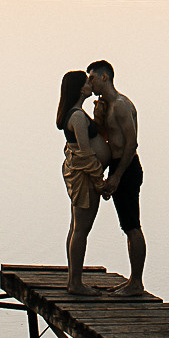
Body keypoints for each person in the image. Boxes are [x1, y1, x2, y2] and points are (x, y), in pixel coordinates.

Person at [87, 59, 146, 296]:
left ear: (104, 77)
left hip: (127, 167)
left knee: (132, 225)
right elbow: (107, 138)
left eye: (92, 77)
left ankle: (136, 283)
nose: (89, 82)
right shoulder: (107, 106)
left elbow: (131, 143)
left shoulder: (121, 105)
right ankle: (133, 281)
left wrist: (117, 177)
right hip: (116, 167)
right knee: (126, 226)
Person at [56, 70, 106, 293]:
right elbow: (85, 153)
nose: (90, 83)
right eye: (87, 81)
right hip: (85, 178)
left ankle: (73, 280)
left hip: (84, 176)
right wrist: (100, 181)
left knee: (76, 226)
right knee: (81, 228)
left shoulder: (78, 114)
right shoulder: (76, 116)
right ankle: (75, 282)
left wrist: (98, 117)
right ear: (79, 88)